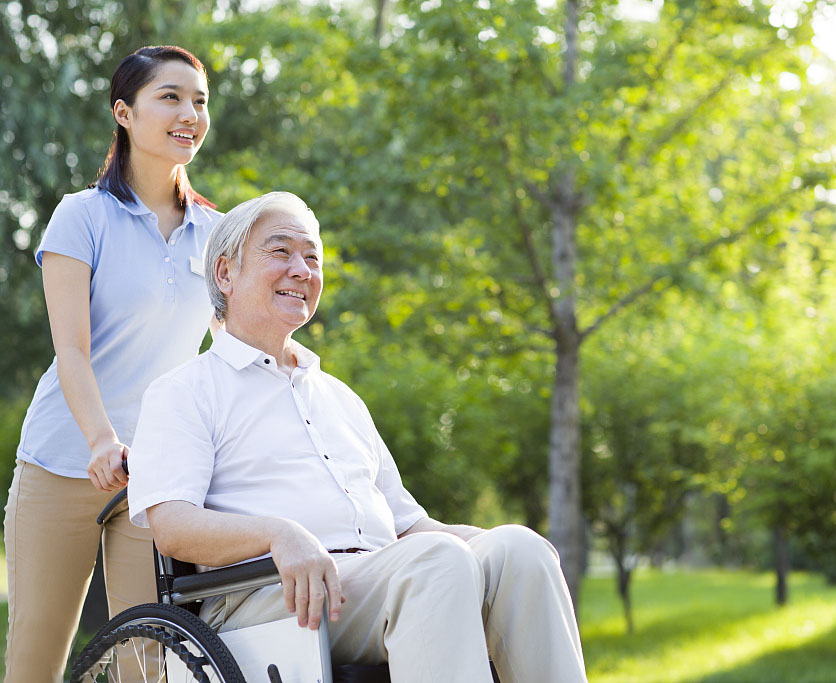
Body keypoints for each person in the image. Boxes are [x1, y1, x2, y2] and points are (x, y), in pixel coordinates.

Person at [126, 191, 588, 683]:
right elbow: (172, 526)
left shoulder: (340, 398)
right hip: (268, 597)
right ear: (225, 274)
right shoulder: (185, 390)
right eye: (281, 252)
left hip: (380, 577)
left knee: (521, 550)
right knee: (434, 563)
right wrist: (278, 533)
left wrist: (489, 542)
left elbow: (410, 528)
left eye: (312, 257)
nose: (302, 270)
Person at [4, 46, 221, 681]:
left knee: (147, 664)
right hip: (63, 461)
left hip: (154, 475)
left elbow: (235, 343)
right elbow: (70, 348)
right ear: (124, 113)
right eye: (171, 97)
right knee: (35, 661)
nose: (190, 114)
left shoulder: (217, 232)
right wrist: (102, 439)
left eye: (200, 101)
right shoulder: (81, 216)